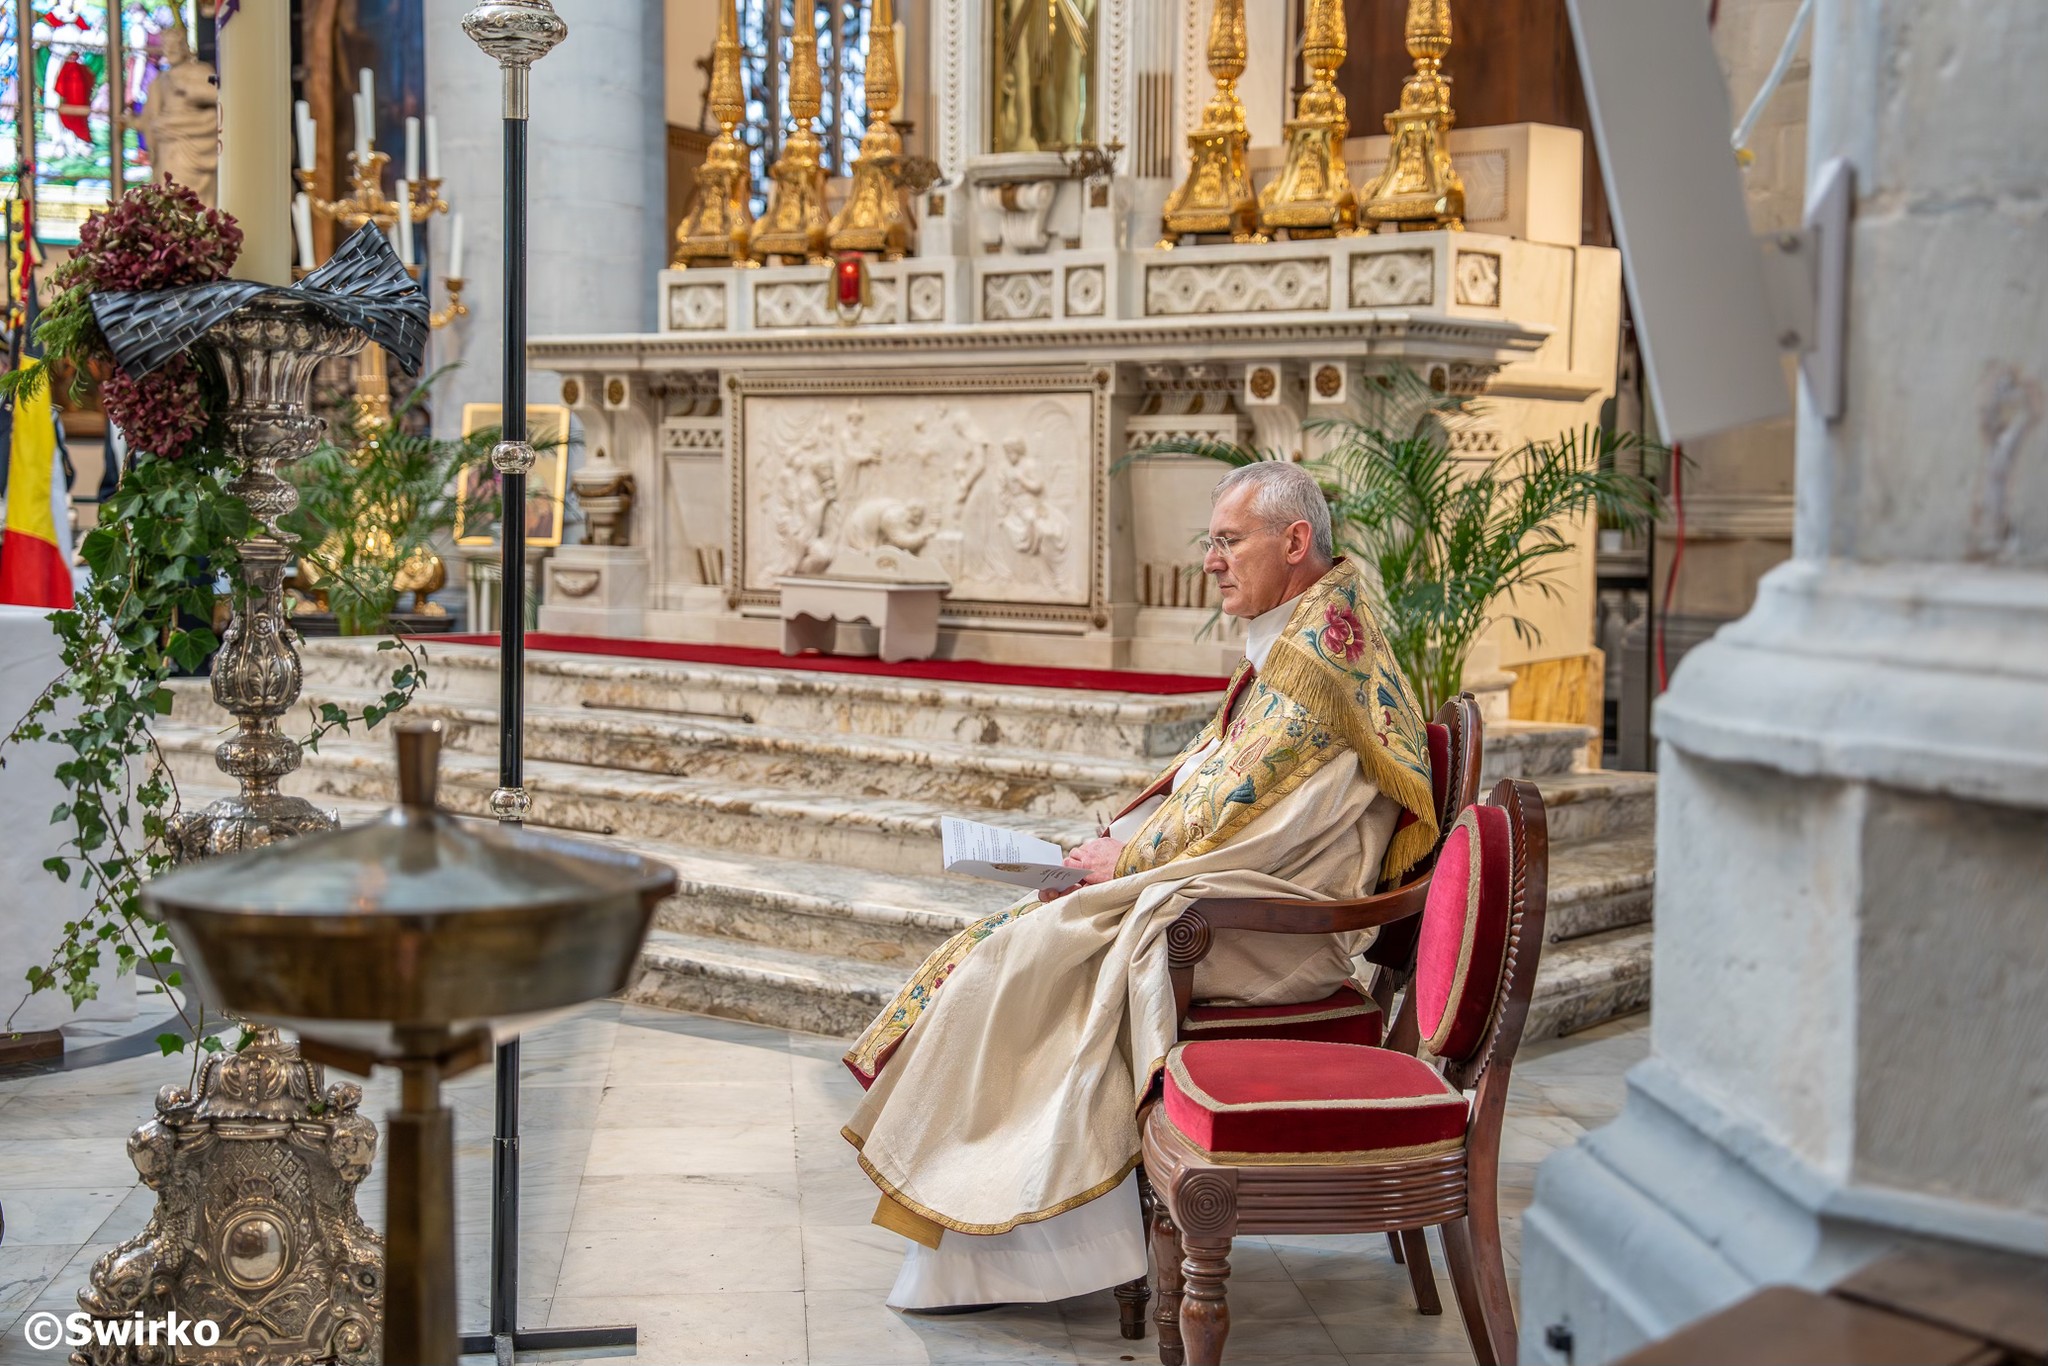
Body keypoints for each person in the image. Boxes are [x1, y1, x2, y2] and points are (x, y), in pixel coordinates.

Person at [842, 460, 1440, 1311]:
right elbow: (1227, 785)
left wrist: (1122, 863)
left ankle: (1044, 1250)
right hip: (1245, 891)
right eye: (1213, 542)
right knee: (1030, 937)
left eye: (1229, 542)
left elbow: (1243, 806)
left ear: (1296, 541)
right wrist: (1119, 846)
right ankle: (1025, 1239)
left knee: (1030, 954)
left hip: (1267, 936)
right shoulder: (1309, 629)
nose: (1211, 561)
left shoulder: (1315, 659)